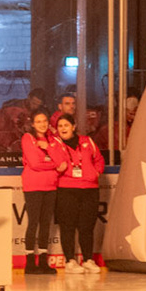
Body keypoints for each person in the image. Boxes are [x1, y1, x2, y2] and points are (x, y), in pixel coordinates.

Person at [54, 113, 105, 273]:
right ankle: (70, 260)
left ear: (73, 126)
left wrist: (96, 173)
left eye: (66, 125)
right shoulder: (55, 145)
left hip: (89, 189)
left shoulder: (87, 141)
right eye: (60, 126)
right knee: (67, 226)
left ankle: (88, 259)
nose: (63, 128)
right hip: (67, 189)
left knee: (87, 226)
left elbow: (99, 159)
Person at [20, 109, 62, 272]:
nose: (42, 124)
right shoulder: (28, 138)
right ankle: (30, 262)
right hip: (33, 186)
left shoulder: (53, 139)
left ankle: (43, 261)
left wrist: (50, 153)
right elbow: (35, 163)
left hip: (50, 186)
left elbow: (63, 160)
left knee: (46, 224)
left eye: (44, 121)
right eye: (38, 121)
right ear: (32, 124)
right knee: (33, 223)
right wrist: (53, 164)